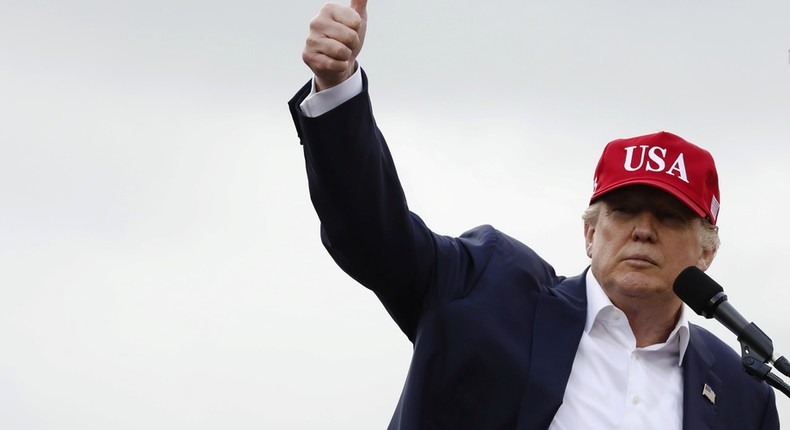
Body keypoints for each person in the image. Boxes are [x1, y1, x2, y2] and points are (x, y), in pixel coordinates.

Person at [287, 1, 780, 429]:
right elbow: (375, 235)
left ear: (707, 252)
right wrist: (337, 88)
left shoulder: (743, 392)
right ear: (590, 233)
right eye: (624, 211)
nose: (643, 231)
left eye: (670, 218)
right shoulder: (489, 290)